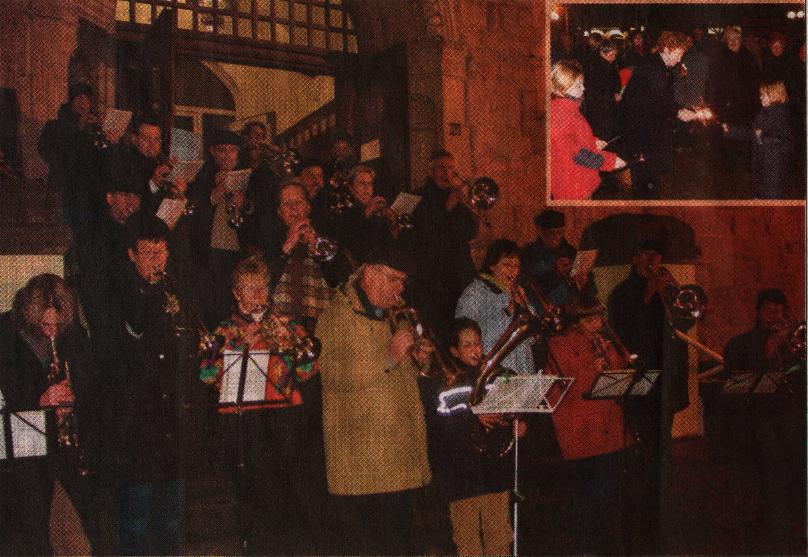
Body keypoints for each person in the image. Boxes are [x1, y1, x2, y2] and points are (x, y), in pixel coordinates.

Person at [199, 255, 320, 555]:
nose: (258, 296)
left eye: (263, 288)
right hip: (244, 422)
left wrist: (294, 348)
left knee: (290, 493)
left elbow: (307, 371)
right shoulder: (222, 331)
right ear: (236, 293)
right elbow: (206, 375)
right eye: (250, 289)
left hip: (284, 416)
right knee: (254, 497)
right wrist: (239, 345)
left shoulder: (286, 325)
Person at [316, 247, 432, 555]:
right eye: (394, 280)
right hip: (363, 462)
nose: (400, 289)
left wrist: (421, 359)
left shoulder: (398, 312)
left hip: (399, 454)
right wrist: (389, 358)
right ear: (370, 273)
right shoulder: (336, 316)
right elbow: (333, 376)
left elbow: (406, 374)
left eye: (403, 282)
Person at [0, 274, 108, 555]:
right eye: (45, 325)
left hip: (62, 452)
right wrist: (39, 399)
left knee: (75, 535)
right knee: (31, 532)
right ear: (29, 314)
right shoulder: (5, 335)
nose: (51, 332)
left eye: (57, 325)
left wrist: (75, 393)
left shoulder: (69, 334)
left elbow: (91, 380)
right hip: (24, 452)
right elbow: (7, 389)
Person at [111, 214, 191, 555]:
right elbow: (136, 324)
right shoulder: (120, 290)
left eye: (161, 252)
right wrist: (155, 291)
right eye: (147, 253)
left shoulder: (176, 286)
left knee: (172, 517)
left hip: (172, 415)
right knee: (137, 518)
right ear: (131, 255)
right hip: (135, 419)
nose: (157, 260)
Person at [607, 239, 689, 554]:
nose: (653, 259)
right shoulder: (622, 293)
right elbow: (624, 333)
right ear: (634, 257)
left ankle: (660, 513)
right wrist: (648, 295)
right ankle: (637, 521)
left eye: (657, 254)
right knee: (639, 453)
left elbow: (686, 322)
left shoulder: (669, 288)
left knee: (662, 449)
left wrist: (673, 294)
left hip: (665, 383)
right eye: (646, 253)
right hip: (639, 384)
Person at [545, 297, 633, 554]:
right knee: (587, 499)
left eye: (599, 319)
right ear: (578, 322)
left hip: (609, 431)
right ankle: (586, 549)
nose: (598, 325)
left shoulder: (604, 343)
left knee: (609, 498)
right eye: (592, 320)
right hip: (581, 432)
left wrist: (617, 359)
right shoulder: (559, 343)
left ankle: (608, 548)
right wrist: (591, 367)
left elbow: (618, 374)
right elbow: (567, 384)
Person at [721, 289, 805, 554]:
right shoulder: (741, 343)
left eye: (778, 309)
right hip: (756, 422)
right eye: (768, 309)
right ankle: (769, 532)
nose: (773, 314)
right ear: (758, 312)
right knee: (770, 478)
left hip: (791, 417)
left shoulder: (795, 342)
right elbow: (736, 385)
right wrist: (771, 347)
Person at [431, 318, 522, 557]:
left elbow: (512, 409)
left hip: (494, 472)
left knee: (500, 537)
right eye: (467, 345)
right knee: (467, 540)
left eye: (478, 343)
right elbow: (441, 422)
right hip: (462, 476)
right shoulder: (447, 380)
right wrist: (474, 416)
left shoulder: (496, 375)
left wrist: (518, 423)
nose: (475, 350)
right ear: (454, 351)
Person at [406, 150, 480, 337]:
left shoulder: (458, 196)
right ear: (431, 171)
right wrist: (448, 207)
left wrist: (470, 211)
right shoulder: (418, 197)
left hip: (459, 273)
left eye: (450, 168)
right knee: (439, 328)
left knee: (463, 324)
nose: (446, 173)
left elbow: (470, 233)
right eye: (441, 168)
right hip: (434, 278)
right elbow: (426, 234)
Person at [621, 31, 697, 198]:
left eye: (682, 55)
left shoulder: (658, 65)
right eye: (678, 54)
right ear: (667, 49)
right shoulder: (654, 69)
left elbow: (664, 99)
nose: (680, 59)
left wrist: (679, 110)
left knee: (650, 177)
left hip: (646, 129)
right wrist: (679, 112)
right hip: (640, 132)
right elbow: (659, 101)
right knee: (644, 180)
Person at [188, 129, 251, 328]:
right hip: (210, 255)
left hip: (240, 252)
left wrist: (245, 204)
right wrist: (214, 195)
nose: (227, 155)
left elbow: (259, 218)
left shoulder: (250, 179)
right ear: (213, 152)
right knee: (214, 306)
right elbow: (192, 218)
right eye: (221, 150)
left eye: (232, 150)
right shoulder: (200, 180)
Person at [266, 181, 349, 331]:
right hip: (279, 323)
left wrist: (317, 246)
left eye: (298, 201)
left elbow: (342, 280)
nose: (293, 208)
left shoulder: (326, 237)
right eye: (287, 203)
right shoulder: (269, 241)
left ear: (308, 207)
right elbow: (263, 282)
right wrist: (287, 246)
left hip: (322, 324)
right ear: (279, 212)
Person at [456, 240, 535, 375]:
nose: (513, 270)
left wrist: (523, 306)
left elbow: (532, 336)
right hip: (495, 369)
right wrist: (510, 307)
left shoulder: (517, 292)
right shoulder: (476, 292)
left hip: (523, 367)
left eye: (516, 265)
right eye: (506, 264)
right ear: (492, 266)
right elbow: (463, 332)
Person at [550, 59, 624, 200]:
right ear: (561, 89)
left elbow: (573, 139)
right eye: (578, 86)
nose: (583, 89)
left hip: (576, 178)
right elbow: (577, 155)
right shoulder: (560, 114)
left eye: (582, 84)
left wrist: (593, 142)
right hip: (572, 184)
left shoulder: (566, 107)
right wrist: (611, 161)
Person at [38, 82, 106, 231]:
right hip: (64, 189)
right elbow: (53, 153)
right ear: (71, 102)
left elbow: (102, 158)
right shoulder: (55, 126)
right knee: (63, 231)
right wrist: (79, 128)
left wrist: (107, 137)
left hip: (90, 192)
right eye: (79, 98)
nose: (83, 103)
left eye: (86, 99)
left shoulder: (95, 128)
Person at [722, 81, 795, 199]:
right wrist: (731, 130)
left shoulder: (781, 114)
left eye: (763, 94)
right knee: (759, 203)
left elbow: (785, 141)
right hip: (761, 169)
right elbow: (753, 133)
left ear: (773, 95)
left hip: (773, 172)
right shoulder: (764, 112)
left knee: (770, 208)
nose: (760, 97)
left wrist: (762, 137)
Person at [707, 26, 761, 172]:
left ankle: (745, 165)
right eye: (729, 39)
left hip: (745, 106)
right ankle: (728, 166)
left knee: (744, 137)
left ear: (741, 40)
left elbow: (755, 83)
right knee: (726, 137)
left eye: (736, 38)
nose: (733, 41)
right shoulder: (720, 58)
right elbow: (714, 82)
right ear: (725, 41)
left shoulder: (749, 57)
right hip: (725, 105)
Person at [583, 39, 622, 143]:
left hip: (605, 107)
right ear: (602, 52)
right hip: (600, 109)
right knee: (604, 137)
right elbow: (595, 90)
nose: (614, 57)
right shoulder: (596, 67)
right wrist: (612, 96)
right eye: (611, 54)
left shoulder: (606, 64)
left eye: (615, 54)